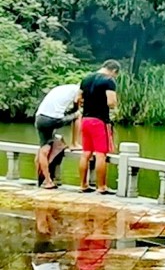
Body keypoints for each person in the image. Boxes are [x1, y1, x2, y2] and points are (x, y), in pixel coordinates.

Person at [78, 60, 121, 194]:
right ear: (114, 71)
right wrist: (114, 104)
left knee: (86, 153)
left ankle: (83, 185)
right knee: (101, 154)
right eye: (116, 75)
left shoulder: (86, 79)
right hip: (99, 121)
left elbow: (78, 98)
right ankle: (101, 186)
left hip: (85, 119)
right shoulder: (109, 81)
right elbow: (111, 102)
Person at [34, 83, 81, 148]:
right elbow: (76, 103)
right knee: (78, 115)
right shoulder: (79, 90)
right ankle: (74, 144)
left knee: (44, 147)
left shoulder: (62, 88)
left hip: (40, 118)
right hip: (53, 119)